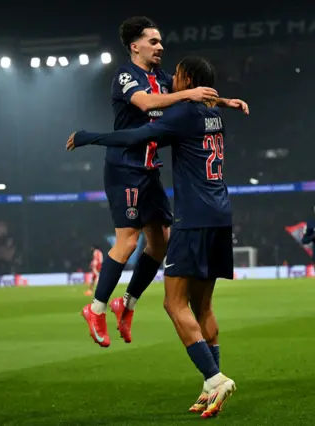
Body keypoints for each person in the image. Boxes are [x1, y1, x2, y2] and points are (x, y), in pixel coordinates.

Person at [69, 56, 237, 418]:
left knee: (173, 304)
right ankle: (210, 387)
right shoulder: (213, 116)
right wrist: (225, 101)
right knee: (203, 306)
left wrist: (92, 138)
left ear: (190, 80)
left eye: (177, 76)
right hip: (221, 215)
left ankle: (214, 378)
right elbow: (193, 108)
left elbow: (137, 135)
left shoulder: (183, 114)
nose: (171, 80)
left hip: (193, 219)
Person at [69, 15, 248, 347]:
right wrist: (189, 94)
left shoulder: (163, 78)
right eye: (153, 41)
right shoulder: (125, 76)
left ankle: (128, 303)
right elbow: (146, 103)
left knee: (161, 242)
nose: (160, 47)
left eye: (161, 41)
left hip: (150, 169)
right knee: (127, 241)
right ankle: (95, 308)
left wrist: (225, 102)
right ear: (135, 46)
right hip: (125, 167)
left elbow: (190, 94)